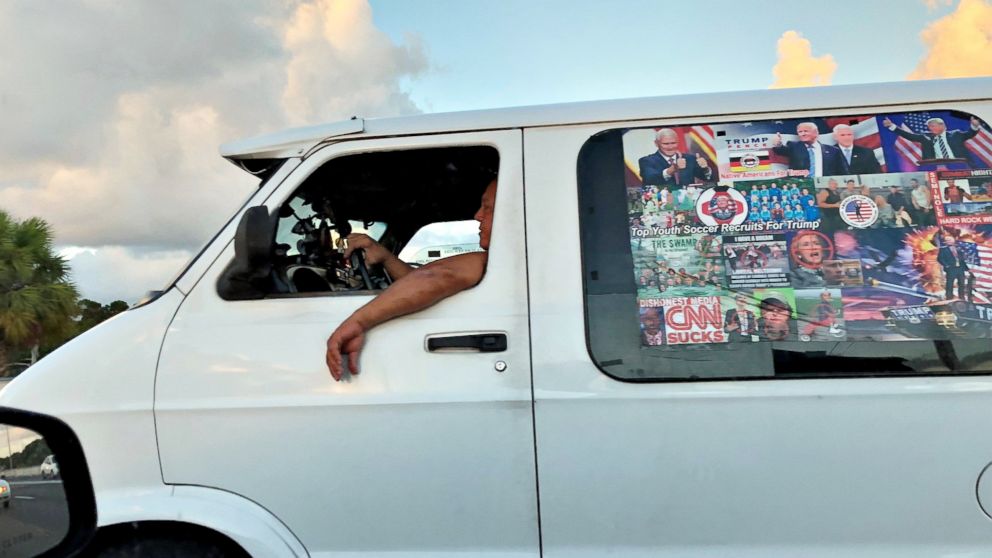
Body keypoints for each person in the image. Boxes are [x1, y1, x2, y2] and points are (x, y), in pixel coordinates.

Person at [325, 179, 496, 380]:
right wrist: (386, 257)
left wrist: (357, 323)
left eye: (488, 207)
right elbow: (421, 285)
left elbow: (436, 277)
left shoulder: (499, 261)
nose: (477, 216)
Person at [882, 115, 983, 161]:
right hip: (934, 166)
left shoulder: (955, 134)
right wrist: (892, 126)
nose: (930, 128)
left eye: (933, 125)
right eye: (929, 126)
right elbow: (909, 136)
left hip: (958, 164)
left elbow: (970, 134)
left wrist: (974, 126)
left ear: (942, 126)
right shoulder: (925, 136)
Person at [638, 128, 713, 186]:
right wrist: (672, 169)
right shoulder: (646, 161)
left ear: (678, 142)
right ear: (656, 143)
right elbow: (650, 179)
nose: (670, 147)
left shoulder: (690, 159)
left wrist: (705, 168)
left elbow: (707, 178)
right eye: (666, 144)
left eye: (673, 143)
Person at [771, 122, 844, 177]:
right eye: (800, 132)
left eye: (806, 131)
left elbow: (842, 171)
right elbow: (781, 150)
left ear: (816, 133)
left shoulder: (833, 150)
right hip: (802, 186)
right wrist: (778, 144)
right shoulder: (794, 146)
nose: (803, 134)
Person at [937, 230, 970, 300]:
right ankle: (949, 297)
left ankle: (962, 297)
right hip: (951, 269)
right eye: (947, 240)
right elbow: (939, 259)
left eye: (950, 240)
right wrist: (946, 266)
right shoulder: (943, 249)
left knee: (961, 283)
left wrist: (967, 269)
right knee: (950, 284)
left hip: (960, 269)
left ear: (954, 240)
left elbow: (962, 260)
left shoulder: (959, 249)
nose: (949, 241)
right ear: (945, 242)